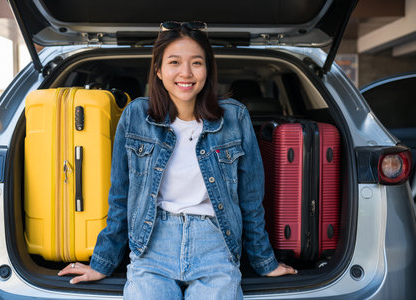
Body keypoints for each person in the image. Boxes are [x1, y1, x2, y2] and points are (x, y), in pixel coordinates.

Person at [58, 21, 296, 299]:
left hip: (216, 247)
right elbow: (121, 196)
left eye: (196, 63)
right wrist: (103, 262)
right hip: (152, 247)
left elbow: (251, 200)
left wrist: (264, 262)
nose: (186, 72)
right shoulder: (136, 116)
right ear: (158, 70)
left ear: (208, 69)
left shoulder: (235, 118)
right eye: (174, 62)